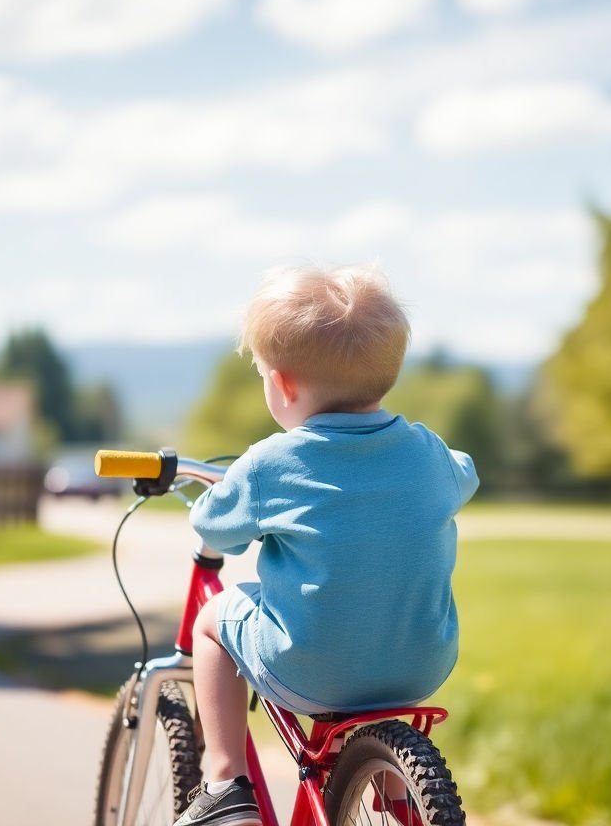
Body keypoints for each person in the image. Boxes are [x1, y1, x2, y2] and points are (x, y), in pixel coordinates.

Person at [174, 265, 479, 826]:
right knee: (379, 627)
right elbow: (466, 475)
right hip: (420, 664)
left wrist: (218, 495)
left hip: (310, 669)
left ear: (283, 384)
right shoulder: (429, 452)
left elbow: (216, 528)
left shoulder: (271, 463)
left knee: (213, 618)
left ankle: (223, 783)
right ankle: (389, 784)